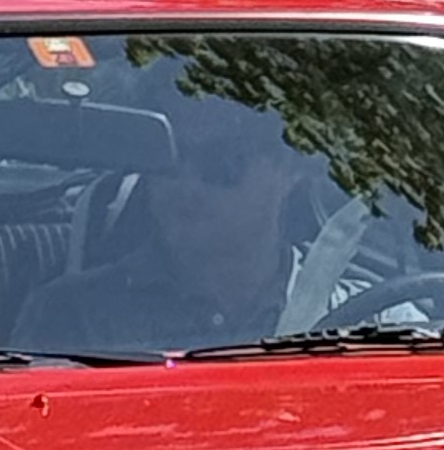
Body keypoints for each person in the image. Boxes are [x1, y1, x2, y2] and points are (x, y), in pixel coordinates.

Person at [16, 90, 305, 358]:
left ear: (289, 169)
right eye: (169, 157)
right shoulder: (70, 317)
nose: (187, 185)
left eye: (222, 161)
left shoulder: (331, 311)